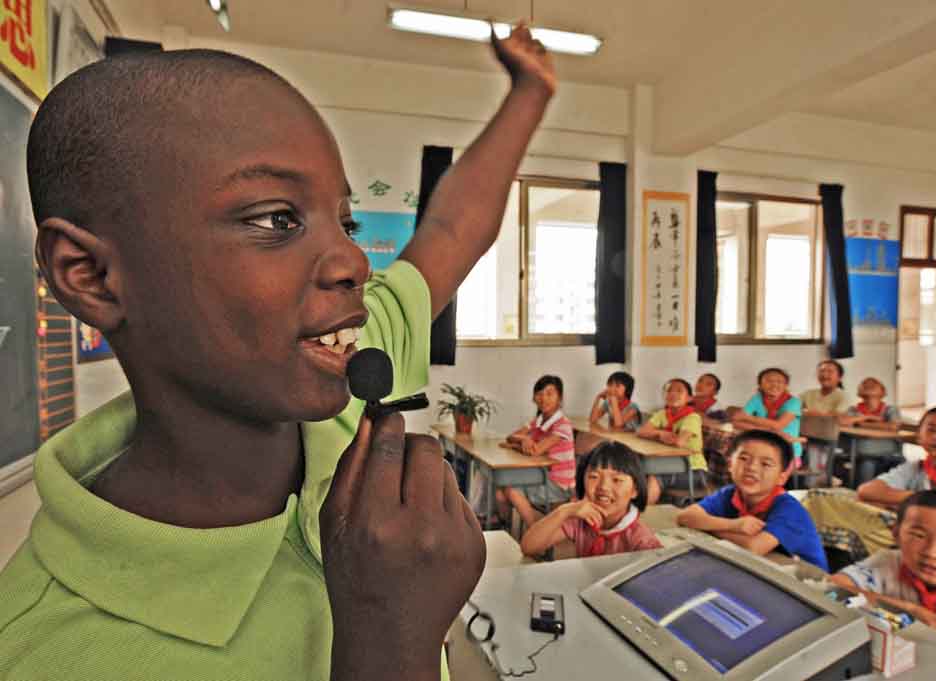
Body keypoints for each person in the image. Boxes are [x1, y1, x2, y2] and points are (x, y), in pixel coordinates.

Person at [0, 25, 556, 681]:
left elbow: (450, 227)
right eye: (276, 219)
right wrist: (389, 635)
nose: (352, 259)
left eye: (342, 221)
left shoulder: (342, 368)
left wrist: (530, 93)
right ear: (90, 273)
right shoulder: (45, 653)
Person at [830, 490, 936, 653]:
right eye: (918, 536)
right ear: (896, 534)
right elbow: (831, 588)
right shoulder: (887, 563)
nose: (932, 553)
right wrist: (911, 611)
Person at [677, 430, 829, 570]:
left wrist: (708, 525)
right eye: (744, 458)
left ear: (782, 477)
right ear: (730, 464)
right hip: (763, 567)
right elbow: (685, 517)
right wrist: (734, 525)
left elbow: (753, 547)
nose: (752, 468)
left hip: (809, 584)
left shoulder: (790, 509)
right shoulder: (730, 493)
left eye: (765, 464)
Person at [520, 442, 662, 558]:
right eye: (594, 477)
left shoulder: (641, 539)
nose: (604, 487)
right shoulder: (581, 520)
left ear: (635, 490)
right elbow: (528, 547)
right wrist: (564, 511)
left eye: (617, 480)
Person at [858, 405, 936, 508]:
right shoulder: (916, 468)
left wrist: (905, 499)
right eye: (932, 430)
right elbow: (867, 491)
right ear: (919, 438)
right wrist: (926, 499)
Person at [497, 375, 576, 528]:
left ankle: (536, 535)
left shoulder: (562, 425)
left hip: (559, 483)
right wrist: (523, 440)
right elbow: (510, 437)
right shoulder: (538, 421)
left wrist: (521, 444)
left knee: (511, 490)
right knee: (500, 491)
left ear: (560, 398)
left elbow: (535, 451)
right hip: (541, 474)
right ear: (534, 398)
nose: (543, 398)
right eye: (539, 393)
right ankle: (505, 531)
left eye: (549, 393)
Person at [637, 378, 707, 504]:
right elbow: (642, 431)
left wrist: (656, 435)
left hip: (693, 470)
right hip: (669, 463)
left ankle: (644, 515)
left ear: (689, 398)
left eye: (679, 391)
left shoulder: (692, 417)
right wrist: (660, 433)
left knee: (653, 476)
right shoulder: (662, 414)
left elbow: (680, 442)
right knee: (636, 469)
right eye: (669, 391)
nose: (673, 394)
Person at [733, 367, 803, 465]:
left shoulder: (794, 402)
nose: (774, 384)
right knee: (735, 455)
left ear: (786, 385)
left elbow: (778, 425)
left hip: (787, 450)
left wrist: (747, 418)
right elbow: (736, 422)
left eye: (779, 381)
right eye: (769, 380)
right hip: (760, 444)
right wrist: (768, 431)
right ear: (760, 385)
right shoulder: (757, 399)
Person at [840, 377, 903, 483]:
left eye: (874, 384)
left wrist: (860, 424)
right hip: (857, 452)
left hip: (887, 451)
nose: (869, 384)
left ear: (882, 391)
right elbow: (843, 422)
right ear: (859, 391)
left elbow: (893, 427)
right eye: (865, 384)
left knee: (867, 464)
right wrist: (868, 417)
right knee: (865, 462)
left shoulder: (890, 409)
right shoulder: (854, 409)